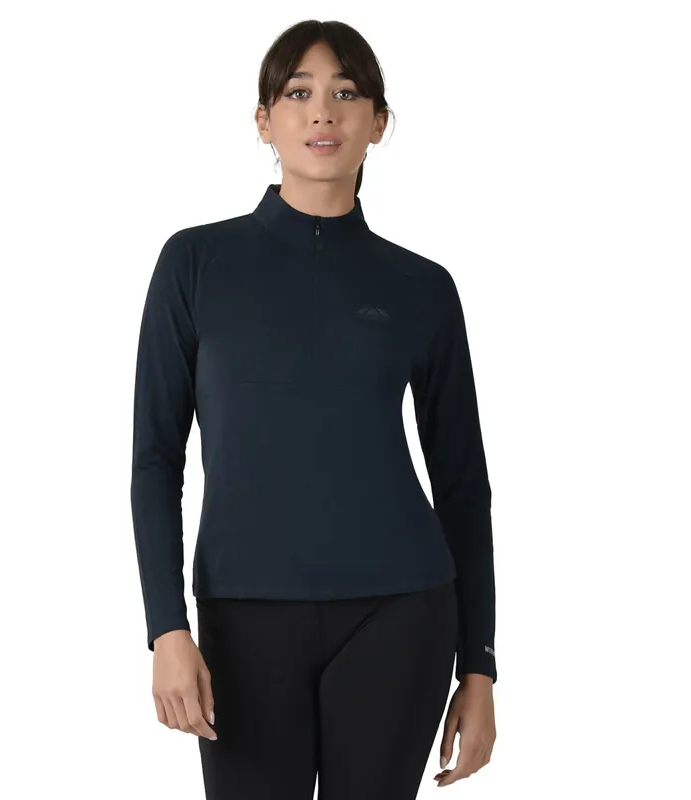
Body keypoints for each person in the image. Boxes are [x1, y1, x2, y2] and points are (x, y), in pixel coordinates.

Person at [130, 19, 497, 800]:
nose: (323, 112)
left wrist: (479, 667)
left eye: (346, 93)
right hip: (243, 619)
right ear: (263, 120)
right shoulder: (195, 263)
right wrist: (166, 627)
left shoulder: (422, 287)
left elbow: (463, 483)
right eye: (298, 93)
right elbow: (155, 459)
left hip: (402, 610)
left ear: (378, 122)